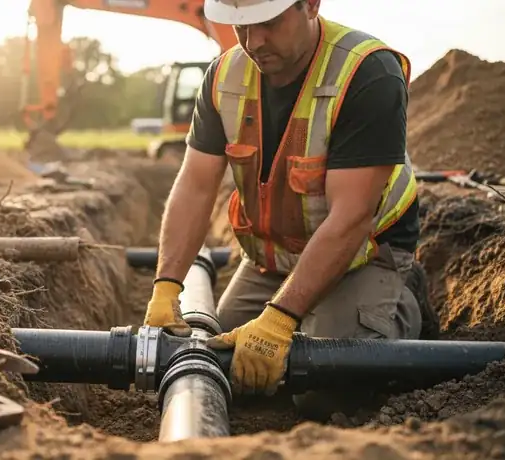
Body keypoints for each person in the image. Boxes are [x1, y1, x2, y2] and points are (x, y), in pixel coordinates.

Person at [143, 0, 437, 406]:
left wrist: (279, 320)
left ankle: (403, 301)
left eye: (269, 24)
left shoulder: (366, 73)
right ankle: (311, 313)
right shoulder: (225, 75)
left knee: (321, 394)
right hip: (278, 256)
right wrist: (166, 287)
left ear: (311, 4)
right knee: (220, 366)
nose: (253, 42)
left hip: (362, 254)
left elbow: (351, 217)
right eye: (242, 27)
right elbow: (195, 185)